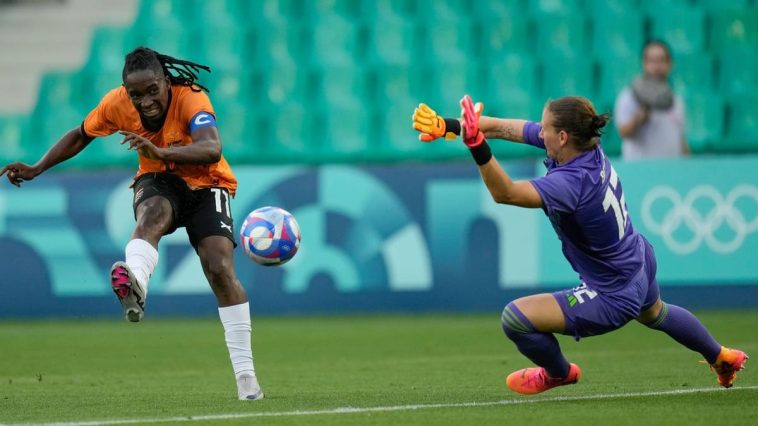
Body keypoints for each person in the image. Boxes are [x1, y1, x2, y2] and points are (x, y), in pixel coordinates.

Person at [412, 95, 747, 394]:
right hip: (639, 258)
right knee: (657, 314)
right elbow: (506, 127)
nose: (538, 133)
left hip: (612, 292)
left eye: (544, 129)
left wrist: (476, 146)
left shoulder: (572, 183)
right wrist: (451, 125)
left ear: (562, 137)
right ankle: (721, 356)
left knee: (515, 318)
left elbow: (506, 193)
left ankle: (559, 373)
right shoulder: (583, 144)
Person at [1, 47, 263, 401]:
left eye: (152, 90)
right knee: (151, 214)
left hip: (207, 182)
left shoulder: (191, 99)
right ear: (126, 91)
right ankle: (135, 281)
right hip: (158, 178)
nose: (145, 101)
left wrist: (163, 152)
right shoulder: (116, 103)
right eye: (136, 94)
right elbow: (81, 134)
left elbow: (212, 148)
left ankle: (246, 376)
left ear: (165, 81)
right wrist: (38, 167)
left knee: (218, 268)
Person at [615, 39, 691, 159]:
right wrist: (639, 119)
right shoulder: (629, 96)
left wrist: (689, 164)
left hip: (671, 171)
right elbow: (624, 133)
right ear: (644, 63)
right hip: (641, 172)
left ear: (670, 64)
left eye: (661, 60)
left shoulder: (677, 100)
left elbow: (680, 139)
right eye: (652, 61)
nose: (657, 66)